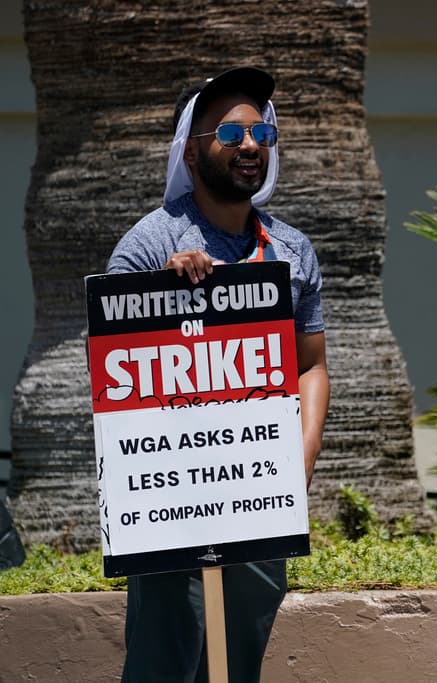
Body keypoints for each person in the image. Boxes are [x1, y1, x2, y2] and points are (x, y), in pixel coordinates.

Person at [106, 66, 330, 682]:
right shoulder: (149, 246)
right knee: (165, 665)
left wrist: (295, 466)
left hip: (257, 499)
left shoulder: (292, 252)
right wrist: (162, 295)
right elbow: (115, 381)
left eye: (262, 131)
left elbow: (309, 365)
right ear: (192, 144)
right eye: (231, 133)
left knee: (237, 668)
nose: (251, 145)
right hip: (170, 507)